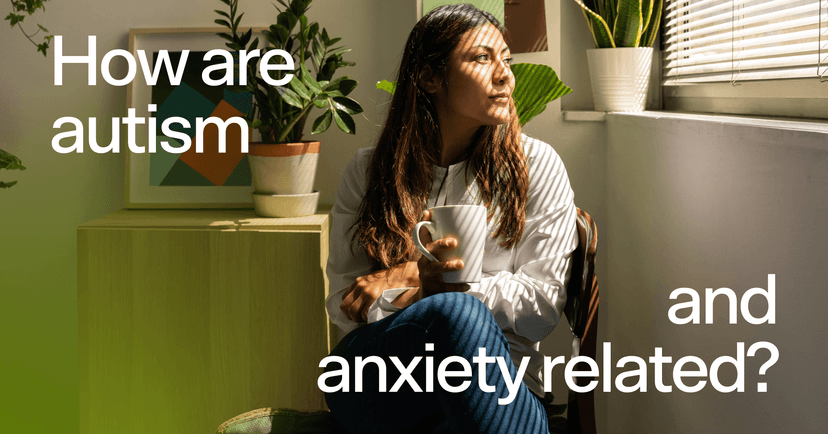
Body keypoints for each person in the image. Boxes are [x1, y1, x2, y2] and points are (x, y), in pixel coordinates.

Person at [322, 4, 578, 433]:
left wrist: (421, 281)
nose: (505, 75)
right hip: (383, 381)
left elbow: (542, 308)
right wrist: (427, 303)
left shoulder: (538, 165)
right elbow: (342, 307)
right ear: (429, 77)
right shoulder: (369, 172)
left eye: (507, 60)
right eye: (482, 58)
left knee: (461, 314)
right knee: (455, 314)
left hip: (503, 383)